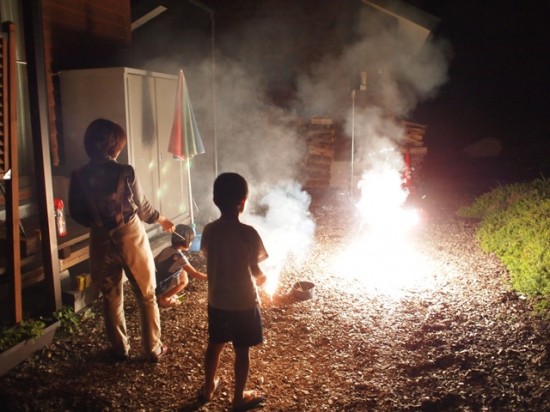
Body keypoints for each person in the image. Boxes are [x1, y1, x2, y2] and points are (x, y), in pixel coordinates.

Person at [68, 118, 174, 363]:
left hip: (100, 238)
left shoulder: (79, 175)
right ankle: (153, 349)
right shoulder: (125, 171)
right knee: (146, 293)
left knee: (111, 295)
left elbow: (76, 211)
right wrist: (162, 219)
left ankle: (119, 350)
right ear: (114, 145)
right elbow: (143, 207)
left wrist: (96, 223)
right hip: (130, 235)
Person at [199, 172, 268, 412]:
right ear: (243, 202)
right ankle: (238, 398)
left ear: (215, 200)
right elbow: (255, 267)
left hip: (217, 300)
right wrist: (262, 278)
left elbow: (208, 254)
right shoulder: (249, 233)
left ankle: (208, 388)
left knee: (214, 344)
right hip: (244, 303)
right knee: (242, 351)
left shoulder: (209, 230)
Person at [154, 223, 207, 307]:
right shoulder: (179, 257)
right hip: (162, 285)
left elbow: (154, 261)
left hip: (156, 281)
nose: (191, 243)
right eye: (191, 241)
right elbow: (194, 273)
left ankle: (162, 294)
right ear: (186, 241)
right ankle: (165, 298)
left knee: (182, 271)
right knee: (184, 281)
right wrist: (210, 278)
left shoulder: (167, 249)